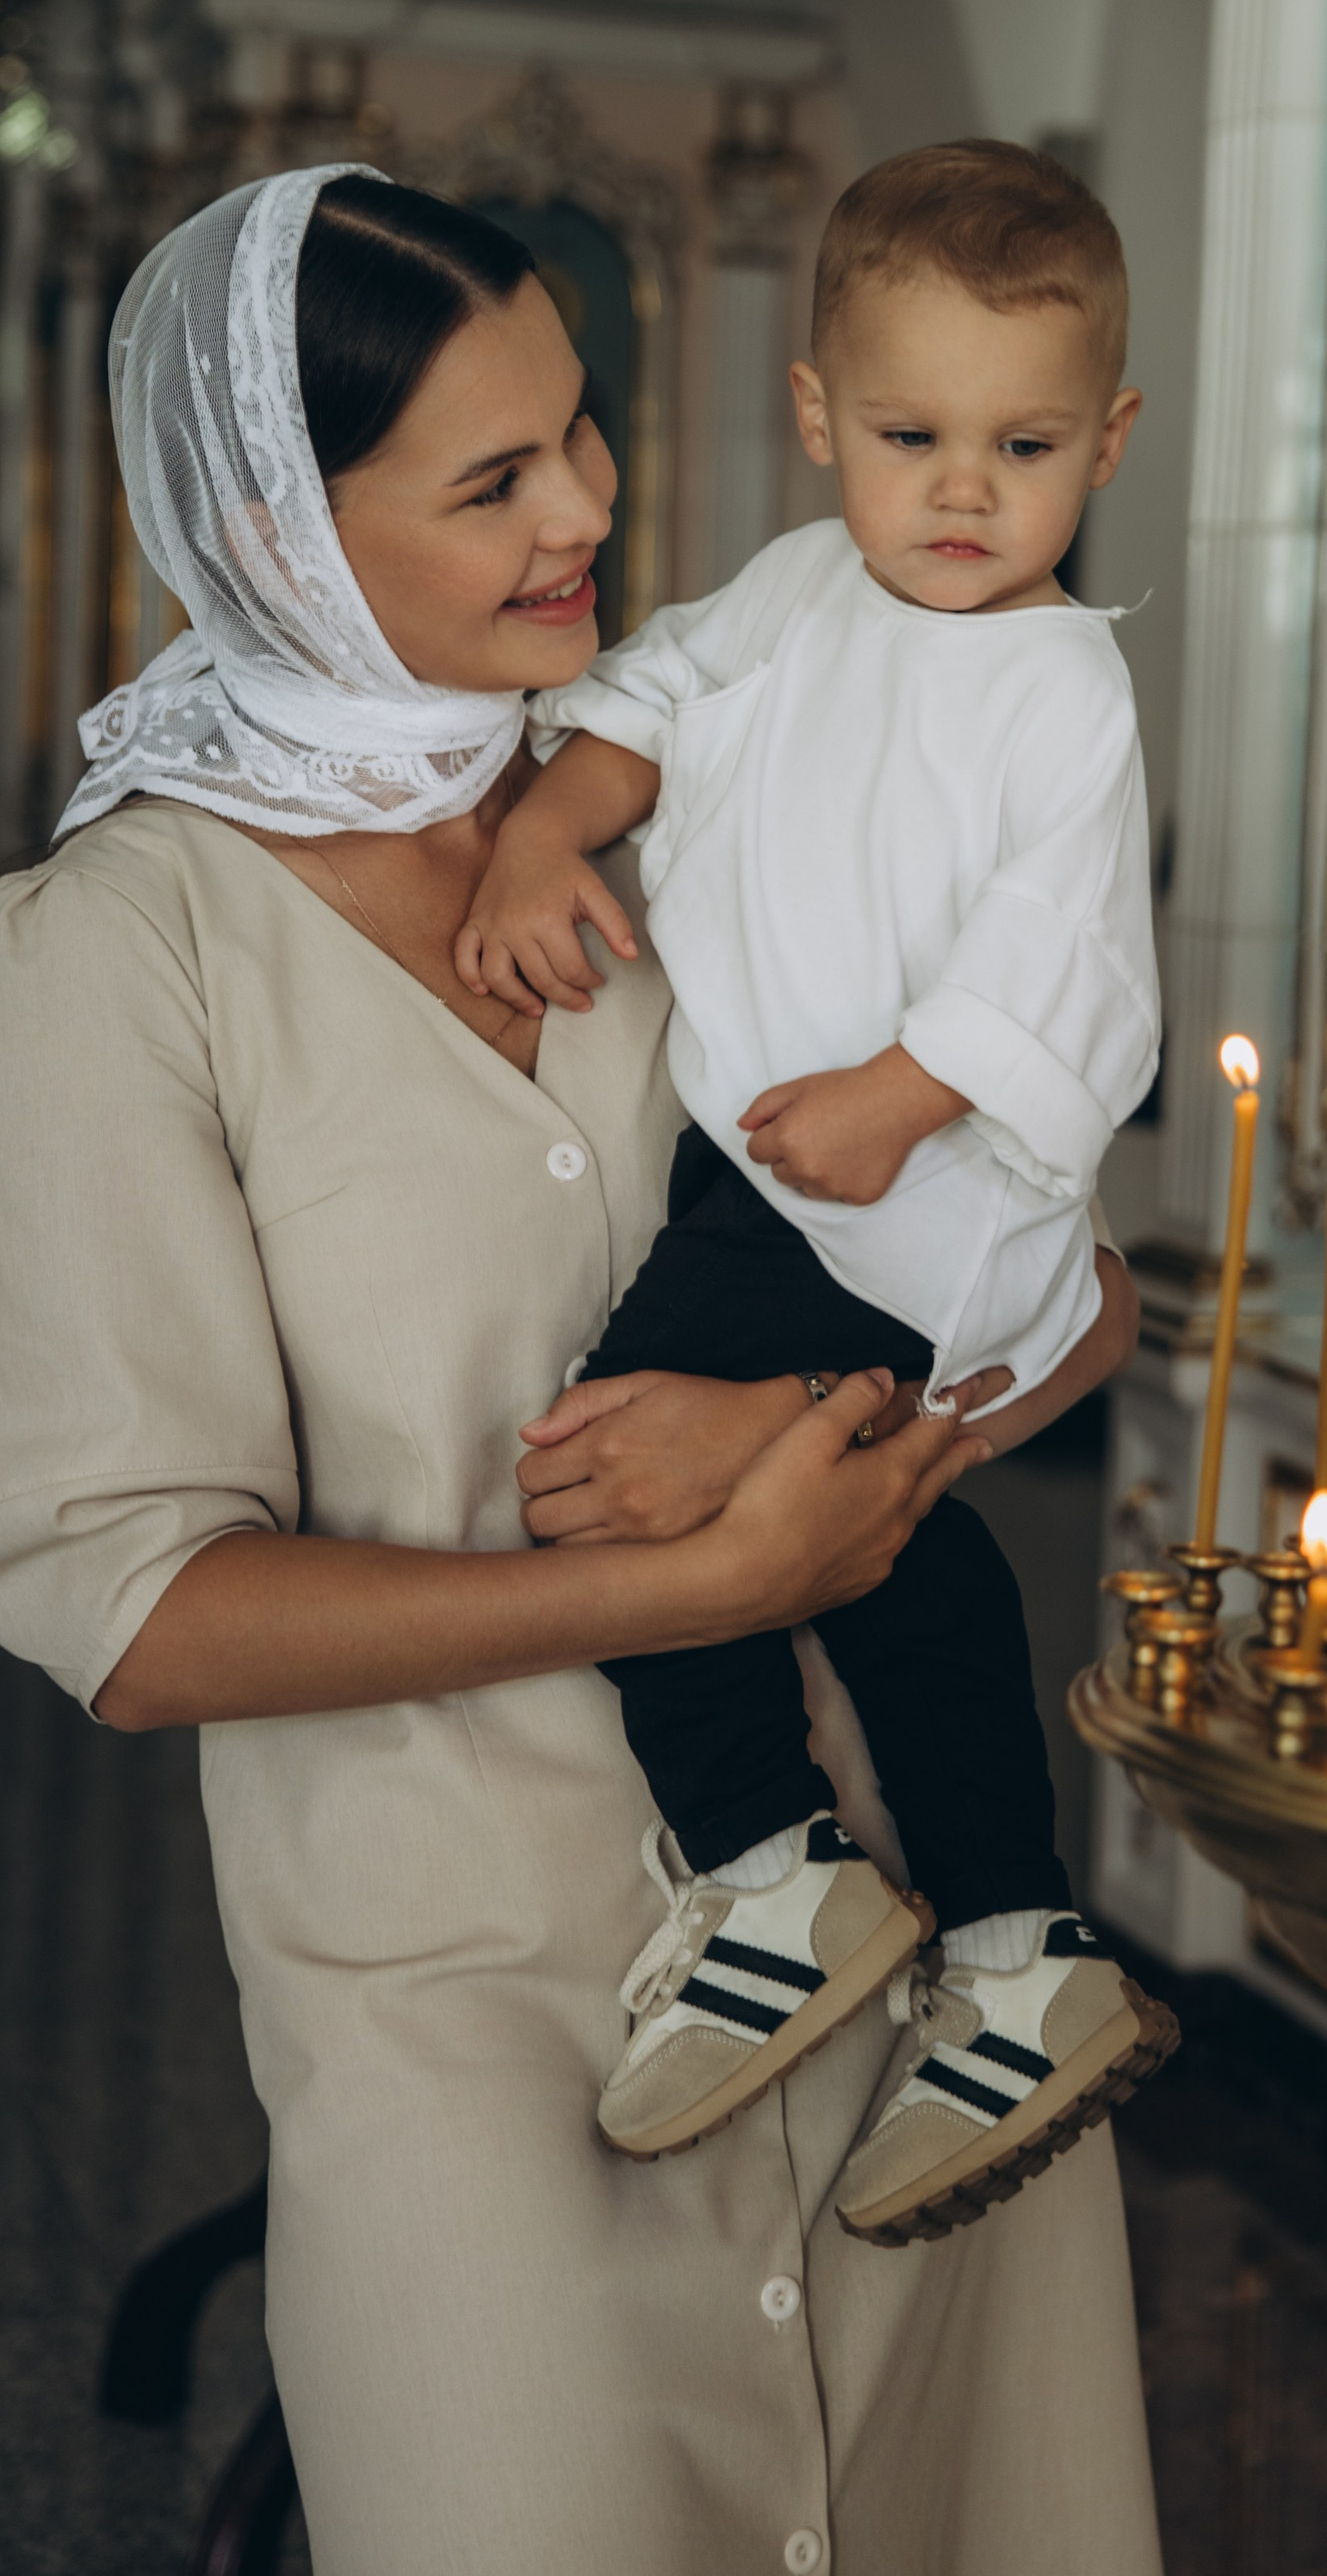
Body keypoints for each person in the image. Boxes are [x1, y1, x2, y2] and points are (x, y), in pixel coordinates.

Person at [0, 164, 1163, 2576]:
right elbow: (130, 1608)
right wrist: (692, 1577)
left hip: (927, 1989)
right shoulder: (117, 945)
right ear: (280, 535)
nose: (587, 506)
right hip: (473, 2037)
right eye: (491, 478)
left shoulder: (704, 784)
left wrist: (817, 1447)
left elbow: (1073, 1297)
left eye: (577, 430)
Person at [457, 142, 1171, 2244]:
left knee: (604, 1473)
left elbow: (1067, 959)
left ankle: (771, 1866)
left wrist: (904, 1088)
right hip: (775, 1181)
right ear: (814, 417)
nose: (961, 492)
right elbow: (644, 706)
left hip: (902, 1197)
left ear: (1106, 440)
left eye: (1022, 446)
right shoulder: (790, 593)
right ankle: (1021, 1947)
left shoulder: (1061, 684)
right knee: (896, 1566)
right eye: (908, 436)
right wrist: (548, 832)